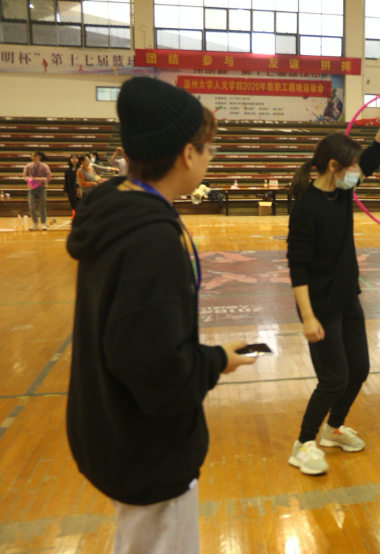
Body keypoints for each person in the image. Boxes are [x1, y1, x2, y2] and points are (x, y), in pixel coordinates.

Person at [65, 76, 256, 554]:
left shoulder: (115, 210)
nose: (209, 158)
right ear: (187, 154)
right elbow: (155, 370)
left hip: (113, 429)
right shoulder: (150, 239)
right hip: (146, 448)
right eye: (208, 148)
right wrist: (216, 361)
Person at [286, 102, 380, 476]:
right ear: (334, 166)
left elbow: (377, 154)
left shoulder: (342, 191)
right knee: (334, 377)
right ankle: (303, 443)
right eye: (351, 166)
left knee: (359, 369)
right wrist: (307, 318)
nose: (357, 172)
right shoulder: (307, 207)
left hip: (347, 297)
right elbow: (297, 267)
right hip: (319, 305)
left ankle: (333, 428)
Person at [23, 150, 52, 230]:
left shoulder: (44, 166)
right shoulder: (28, 166)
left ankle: (44, 223)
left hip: (41, 188)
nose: (33, 157)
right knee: (32, 206)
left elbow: (49, 176)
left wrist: (39, 179)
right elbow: (25, 176)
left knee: (42, 206)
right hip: (32, 189)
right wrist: (30, 179)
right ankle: (35, 223)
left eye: (35, 156)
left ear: (39, 157)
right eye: (32, 156)